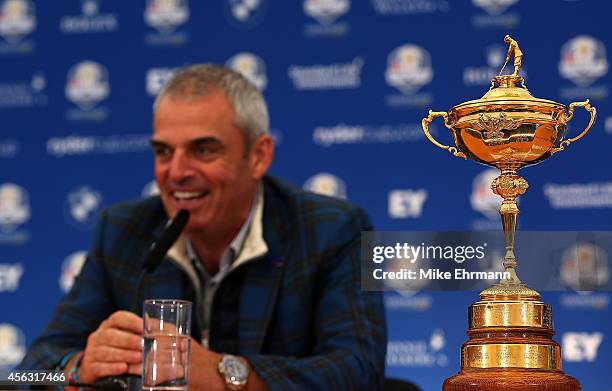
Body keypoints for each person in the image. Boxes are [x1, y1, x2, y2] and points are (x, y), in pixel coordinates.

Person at [20, 64, 387, 390]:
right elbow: (28, 372)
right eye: (163, 152)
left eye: (204, 150)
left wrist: (225, 374)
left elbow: (358, 368)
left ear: (259, 155)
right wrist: (77, 369)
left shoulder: (332, 229)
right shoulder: (122, 231)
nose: (176, 172)